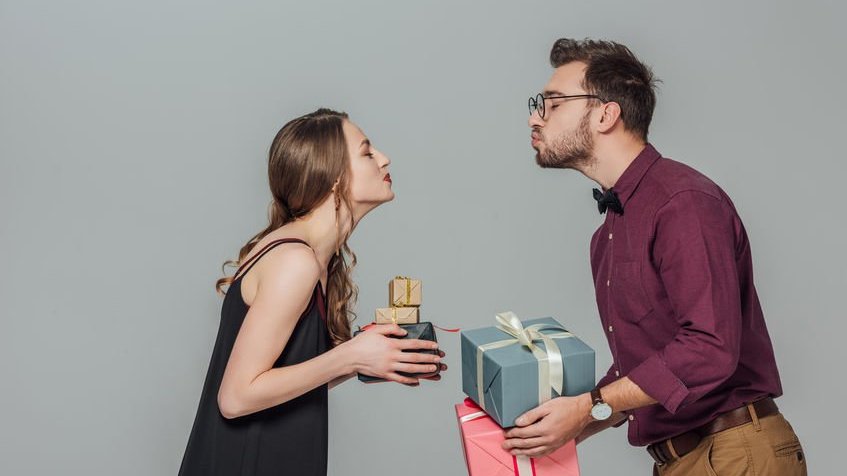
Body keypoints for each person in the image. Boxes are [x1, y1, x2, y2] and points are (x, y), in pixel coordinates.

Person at [502, 39, 806, 475]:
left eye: (551, 102)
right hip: (683, 460)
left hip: (734, 453)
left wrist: (589, 406)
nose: (535, 117)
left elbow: (709, 348)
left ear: (606, 114)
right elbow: (650, 362)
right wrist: (576, 421)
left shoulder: (682, 202)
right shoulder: (606, 234)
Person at [179, 108, 445, 476]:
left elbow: (285, 376)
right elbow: (236, 397)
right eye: (367, 152)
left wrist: (368, 357)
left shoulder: (312, 258)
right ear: (334, 178)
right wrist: (350, 357)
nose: (384, 158)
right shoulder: (296, 260)